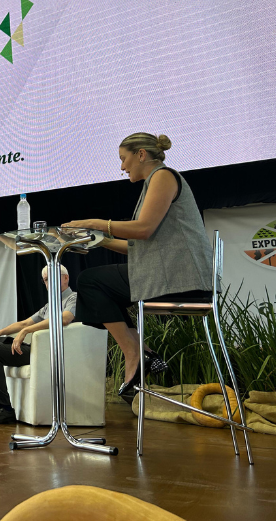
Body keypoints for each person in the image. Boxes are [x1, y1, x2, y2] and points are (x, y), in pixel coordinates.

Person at [63, 132, 207, 402]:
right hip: (167, 275)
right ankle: (141, 352)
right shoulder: (154, 182)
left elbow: (143, 229)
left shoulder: (163, 176)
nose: (122, 167)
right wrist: (99, 240)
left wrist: (95, 223)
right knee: (97, 286)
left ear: (141, 154)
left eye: (123, 159)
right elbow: (138, 247)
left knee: (91, 281)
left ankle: (135, 353)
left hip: (180, 279)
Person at [0, 265, 77, 424]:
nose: (49, 283)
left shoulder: (73, 298)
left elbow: (65, 318)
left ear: (66, 278)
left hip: (49, 353)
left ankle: (4, 408)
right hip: (36, 349)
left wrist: (26, 331)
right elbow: (24, 323)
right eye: (46, 280)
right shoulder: (48, 306)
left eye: (53, 277)